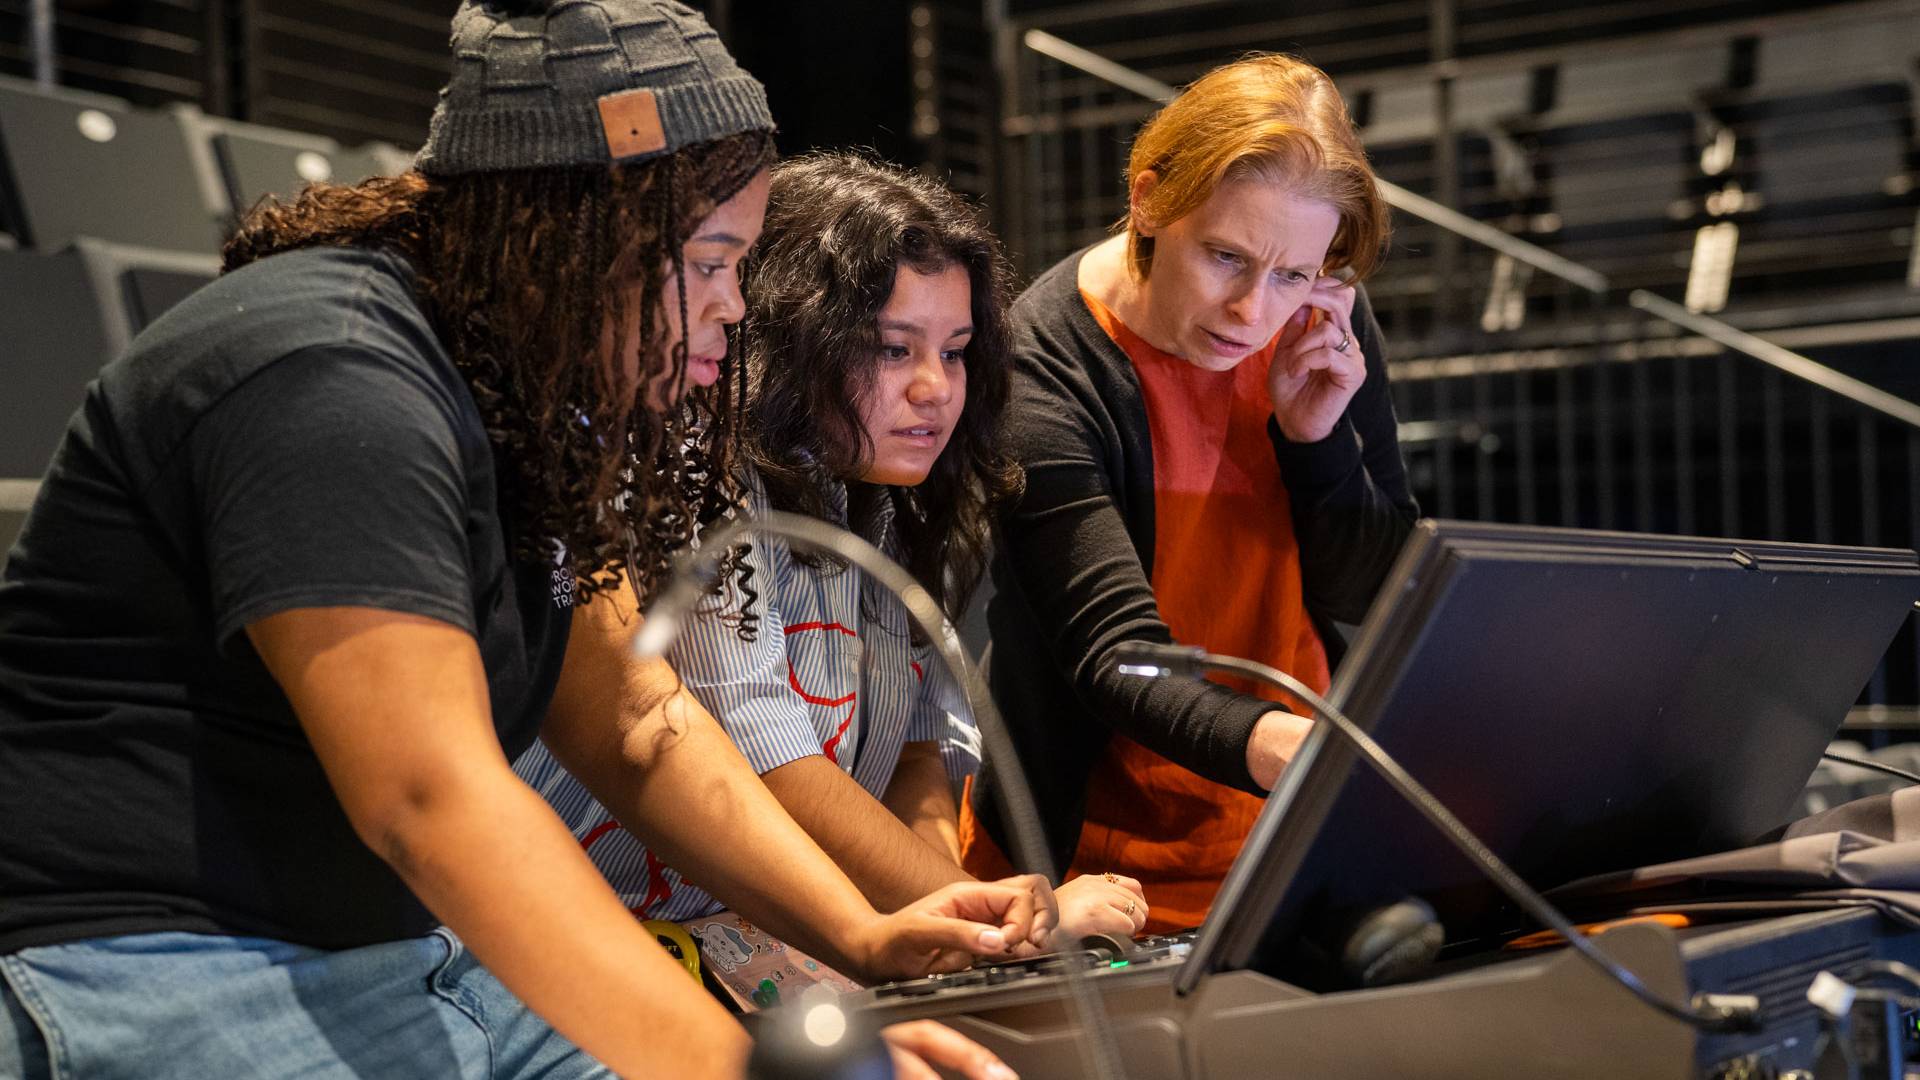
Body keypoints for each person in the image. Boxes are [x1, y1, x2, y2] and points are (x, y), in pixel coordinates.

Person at [0, 4, 1036, 1078]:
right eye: (714, 259)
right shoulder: (332, 371)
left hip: (405, 953)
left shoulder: (522, 397)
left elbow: (631, 716)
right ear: (573, 233)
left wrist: (859, 937)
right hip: (162, 958)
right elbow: (428, 798)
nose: (736, 308)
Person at [516, 152, 1149, 944]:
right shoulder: (702, 467)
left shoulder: (901, 496)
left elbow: (915, 753)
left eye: (954, 351)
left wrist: (951, 923)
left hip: (736, 941)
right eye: (893, 349)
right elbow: (768, 754)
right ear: (794, 336)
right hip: (563, 934)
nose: (936, 388)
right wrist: (1009, 921)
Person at [958, 54, 1419, 935]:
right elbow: (1113, 659)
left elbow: (1368, 589)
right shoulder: (1040, 366)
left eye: (1292, 274)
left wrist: (1317, 442)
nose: (1254, 310)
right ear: (1148, 201)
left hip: (1294, 830)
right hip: (1106, 860)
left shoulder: (1327, 322)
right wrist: (1284, 743)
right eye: (1225, 257)